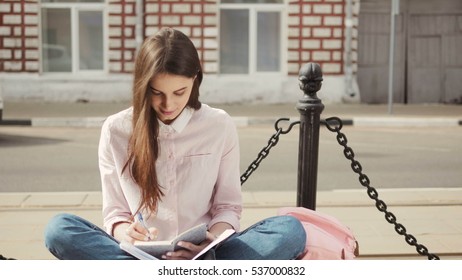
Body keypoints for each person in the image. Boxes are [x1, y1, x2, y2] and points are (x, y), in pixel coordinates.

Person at [44, 27, 306, 260]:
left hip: (206, 253)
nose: (168, 105)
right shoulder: (116, 130)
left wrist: (210, 241)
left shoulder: (218, 125)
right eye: (156, 93)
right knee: (60, 229)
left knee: (290, 230)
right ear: (142, 86)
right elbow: (115, 213)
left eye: (179, 92)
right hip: (139, 255)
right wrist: (127, 232)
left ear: (195, 79)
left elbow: (227, 207)